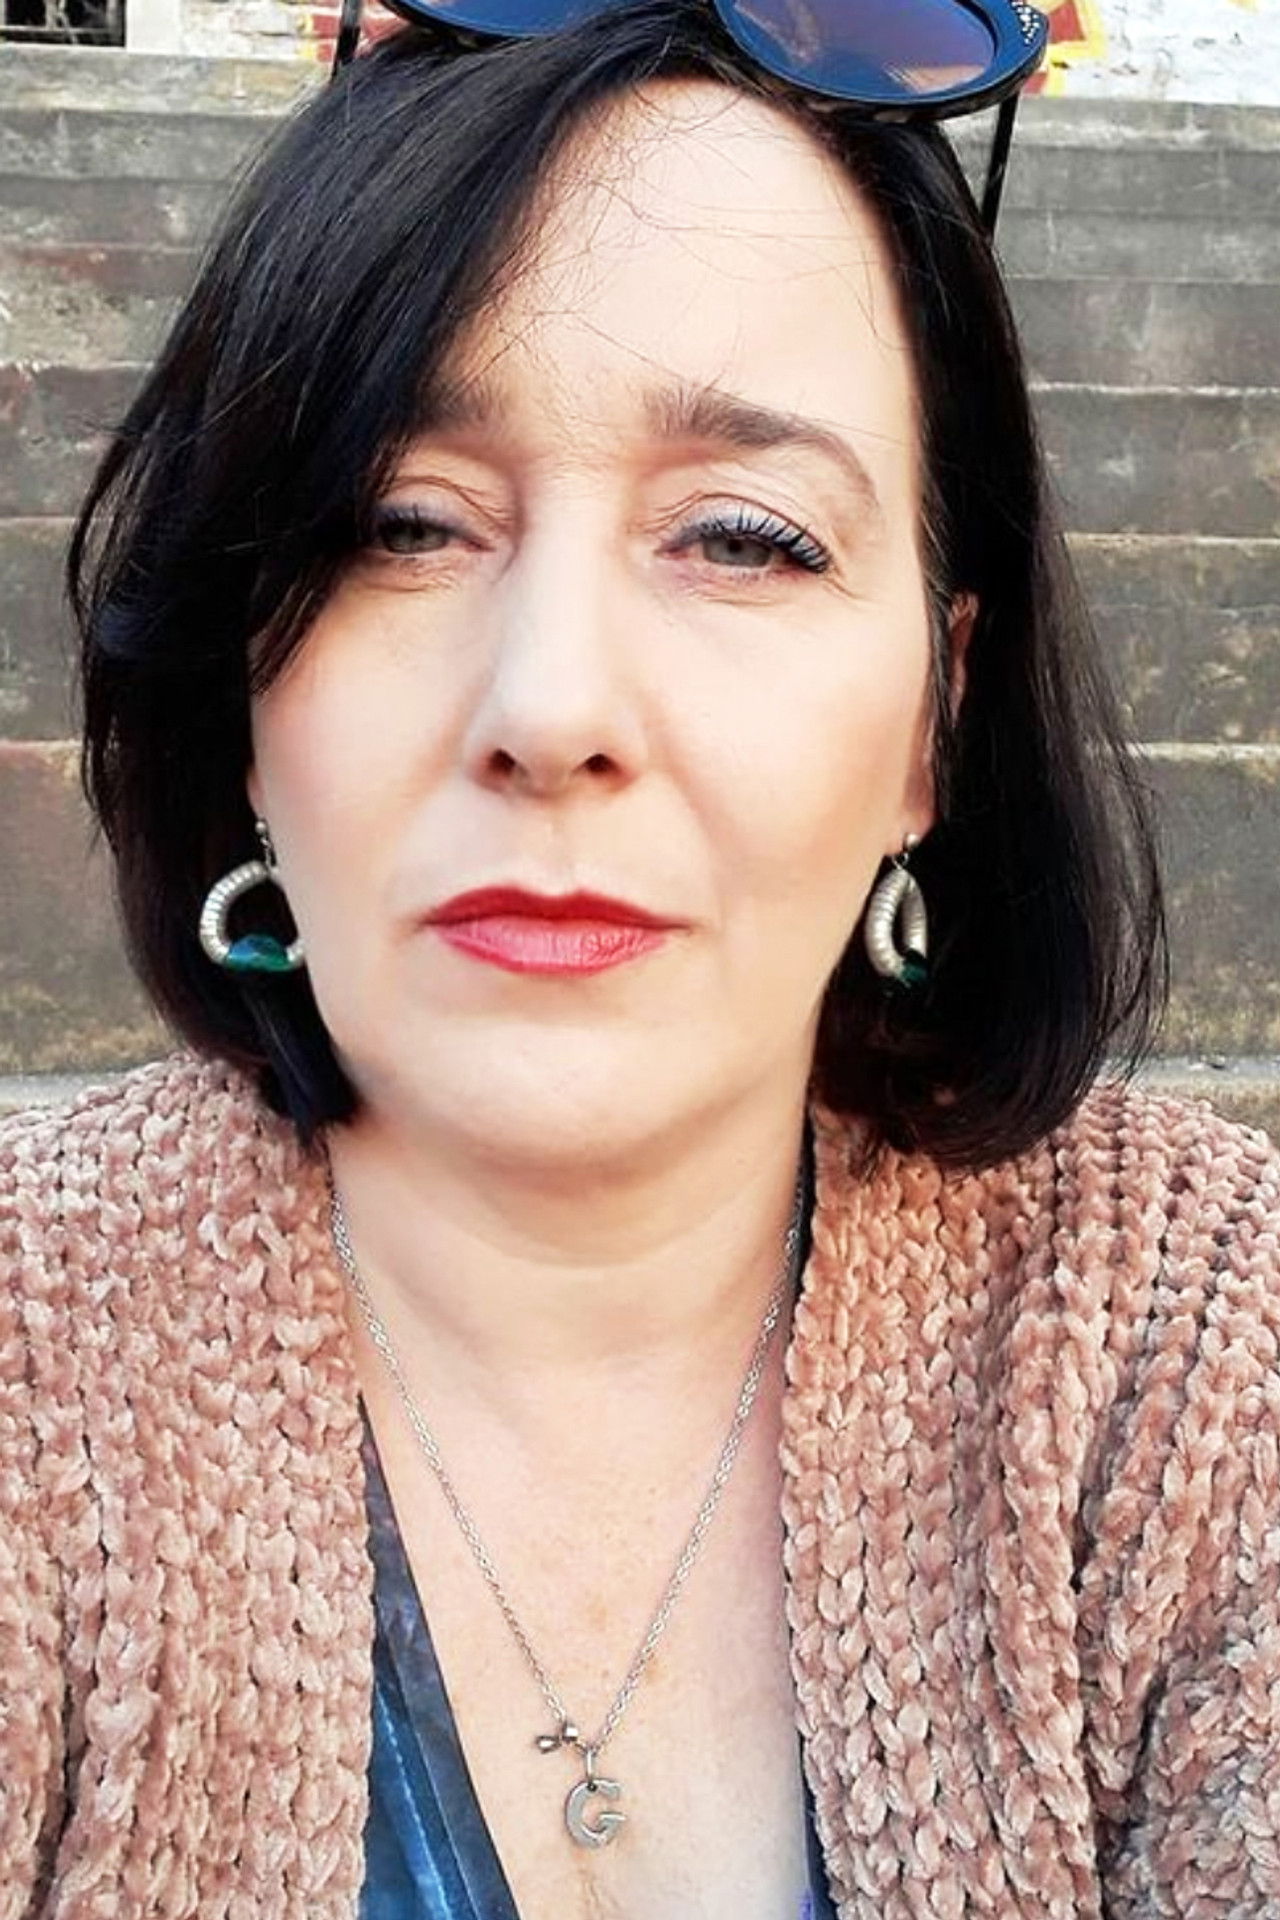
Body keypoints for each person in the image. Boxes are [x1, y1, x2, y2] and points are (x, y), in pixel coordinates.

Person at [2, 0, 1278, 1914]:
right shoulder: (30, 1357)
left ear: (934, 718)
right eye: (404, 524)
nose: (553, 707)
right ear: (243, 695)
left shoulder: (1194, 1346)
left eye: (746, 539)